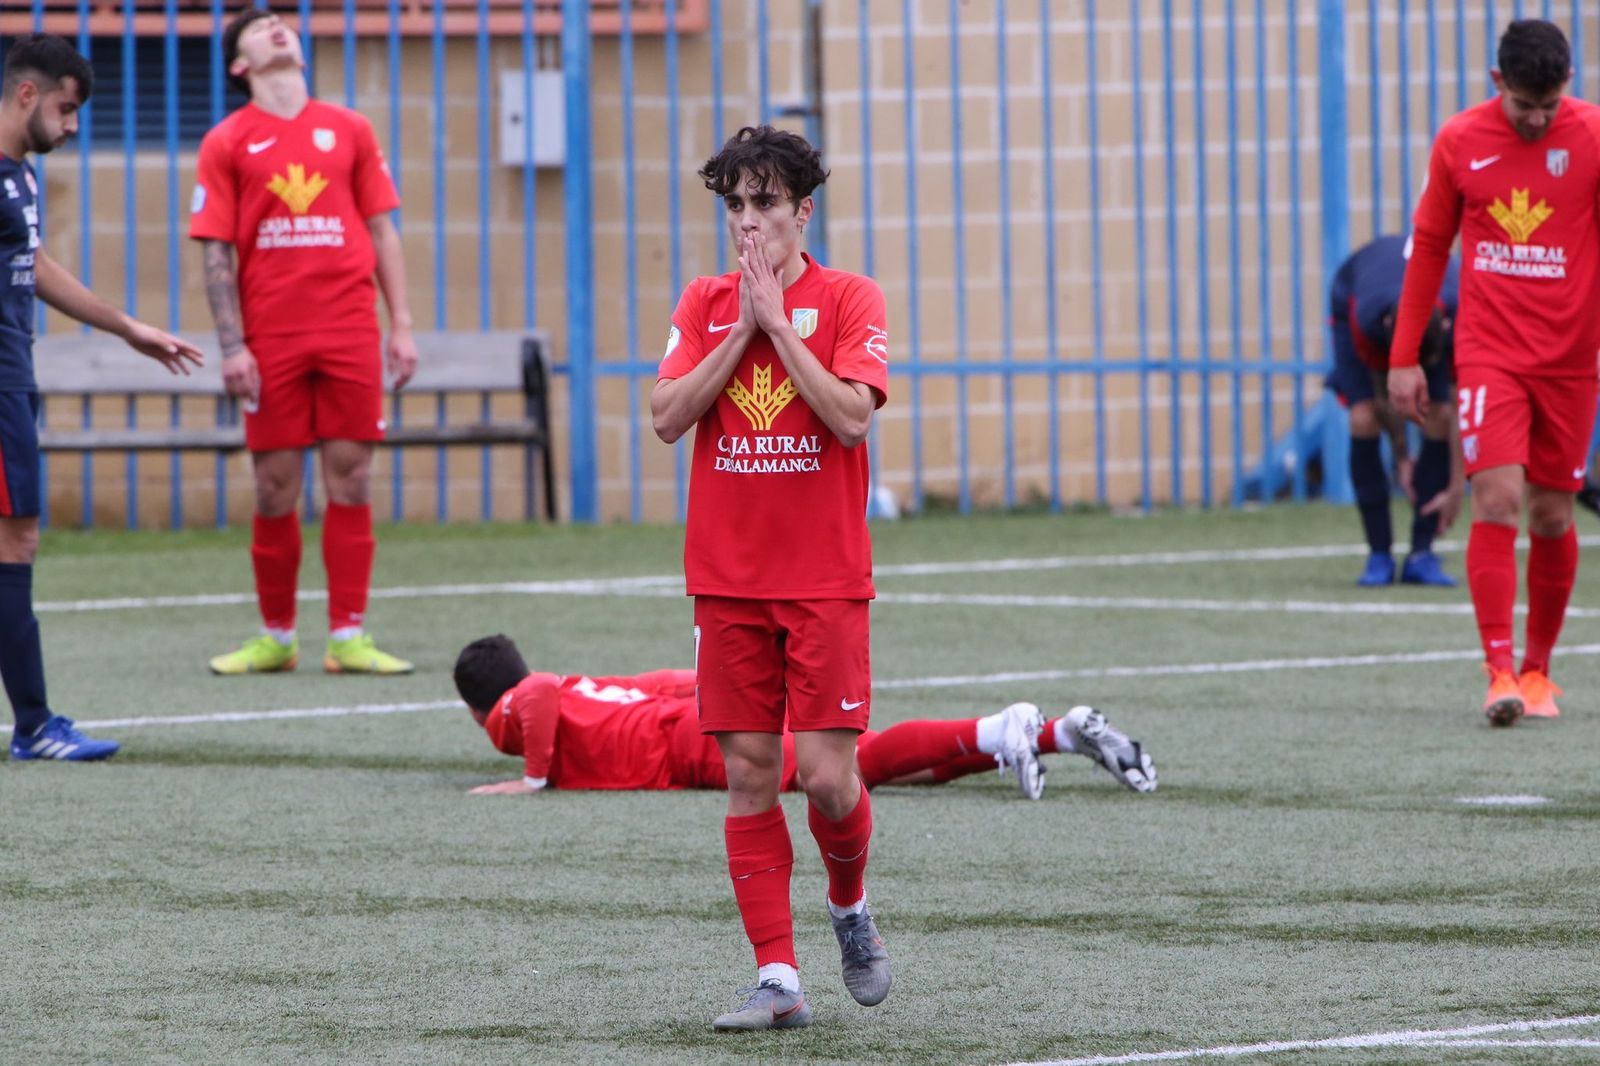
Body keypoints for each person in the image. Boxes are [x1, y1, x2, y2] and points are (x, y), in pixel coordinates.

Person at [650, 125, 890, 1031]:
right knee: (750, 774)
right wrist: (739, 329)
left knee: (828, 781)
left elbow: (850, 420)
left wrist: (780, 330)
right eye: (736, 206)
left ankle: (849, 908)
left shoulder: (850, 298)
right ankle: (779, 977)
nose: (749, 223)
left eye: (766, 205)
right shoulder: (704, 300)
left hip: (824, 579)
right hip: (727, 581)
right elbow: (667, 415)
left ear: (802, 213)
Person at [190, 8, 418, 677]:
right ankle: (277, 636)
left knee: (352, 475)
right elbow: (215, 255)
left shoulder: (349, 128)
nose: (278, 28)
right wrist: (232, 345)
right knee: (273, 486)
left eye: (283, 21)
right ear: (240, 64)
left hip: (349, 327)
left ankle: (348, 636)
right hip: (272, 336)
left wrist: (400, 324)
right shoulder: (226, 141)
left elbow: (383, 232)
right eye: (259, 28)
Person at [1390, 19, 1600, 726]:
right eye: (1523, 106)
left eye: (1549, 105)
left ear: (1568, 84)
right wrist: (1403, 359)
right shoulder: (1460, 141)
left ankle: (1540, 672)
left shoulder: (1595, 137)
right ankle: (1499, 671)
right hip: (1491, 355)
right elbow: (1427, 248)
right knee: (1500, 500)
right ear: (1496, 84)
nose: (1537, 119)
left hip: (1573, 360)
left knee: (1551, 512)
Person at [1, 35, 203, 760]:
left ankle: (33, 725)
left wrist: (127, 329)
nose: (73, 124)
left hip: (14, 380)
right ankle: (33, 727)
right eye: (66, 108)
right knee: (15, 540)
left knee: (14, 540)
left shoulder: (17, 178)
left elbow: (37, 264)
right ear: (28, 95)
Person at [452, 634, 1159, 800]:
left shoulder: (523, 702)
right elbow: (663, 679)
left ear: (481, 704)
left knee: (857, 765)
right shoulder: (585, 684)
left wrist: (533, 779)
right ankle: (1051, 734)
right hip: (693, 715)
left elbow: (535, 691)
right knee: (882, 776)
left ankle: (997, 728)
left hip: (688, 745)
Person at [1326, 235, 1463, 586]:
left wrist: (1458, 483)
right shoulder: (1369, 318)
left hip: (1429, 311)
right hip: (1351, 300)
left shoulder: (1463, 308)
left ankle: (1421, 554)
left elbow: (1462, 401)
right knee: (1364, 416)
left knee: (1439, 414)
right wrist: (1403, 458)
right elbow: (1382, 393)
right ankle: (1379, 555)